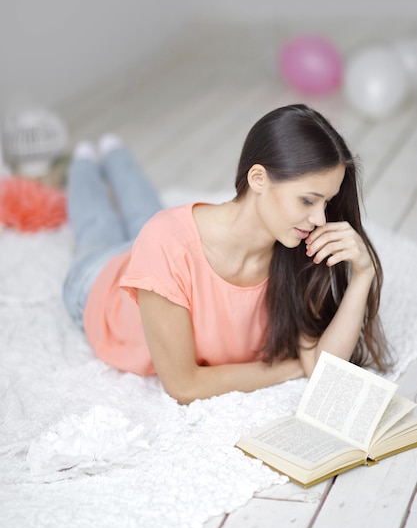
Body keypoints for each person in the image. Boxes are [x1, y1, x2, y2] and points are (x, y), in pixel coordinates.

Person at [63, 103, 391, 404]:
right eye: (308, 200)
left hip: (160, 255)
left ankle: (115, 153)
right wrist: (292, 368)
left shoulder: (297, 247)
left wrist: (363, 275)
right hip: (98, 282)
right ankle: (86, 162)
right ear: (258, 178)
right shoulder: (166, 240)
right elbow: (184, 386)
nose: (320, 219)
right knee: (97, 224)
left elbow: (323, 367)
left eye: (326, 203)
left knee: (144, 212)